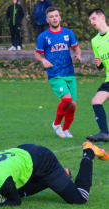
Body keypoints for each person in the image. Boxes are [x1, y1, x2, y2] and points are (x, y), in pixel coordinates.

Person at [0, 141, 108, 208]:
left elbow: (15, 201)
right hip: (23, 154)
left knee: (80, 199)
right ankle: (63, 176)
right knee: (14, 190)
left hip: (43, 161)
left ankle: (88, 151)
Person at [35, 7, 82, 138]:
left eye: (56, 16)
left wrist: (78, 55)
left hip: (69, 72)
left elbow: (77, 49)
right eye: (51, 16)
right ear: (47, 20)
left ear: (60, 18)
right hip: (55, 73)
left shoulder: (68, 33)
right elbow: (37, 54)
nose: (54, 18)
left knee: (73, 104)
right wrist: (43, 60)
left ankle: (66, 129)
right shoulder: (43, 37)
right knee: (67, 99)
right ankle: (56, 124)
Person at [86, 8, 109, 142]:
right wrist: (98, 63)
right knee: (96, 101)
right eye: (90, 20)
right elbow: (100, 65)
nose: (92, 22)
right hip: (108, 78)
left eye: (94, 19)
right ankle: (105, 133)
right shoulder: (95, 41)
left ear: (102, 17)